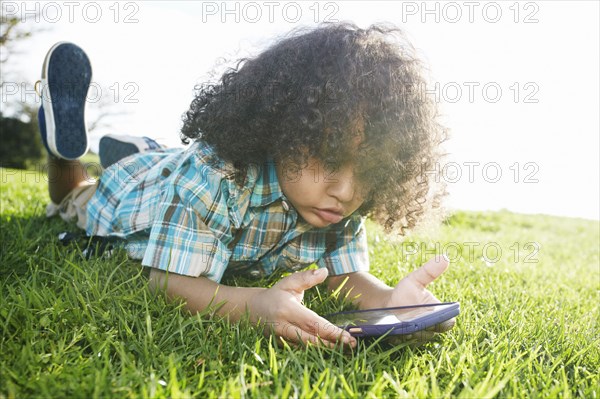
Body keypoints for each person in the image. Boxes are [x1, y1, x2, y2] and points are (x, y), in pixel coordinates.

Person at [39, 23, 451, 348]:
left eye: (367, 172)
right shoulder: (220, 174)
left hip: (174, 173)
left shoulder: (339, 205)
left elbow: (342, 276)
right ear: (282, 129)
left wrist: (390, 302)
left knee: (161, 162)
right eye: (328, 160)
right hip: (136, 196)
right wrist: (254, 305)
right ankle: (68, 153)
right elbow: (170, 283)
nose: (345, 190)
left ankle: (142, 149)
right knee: (76, 196)